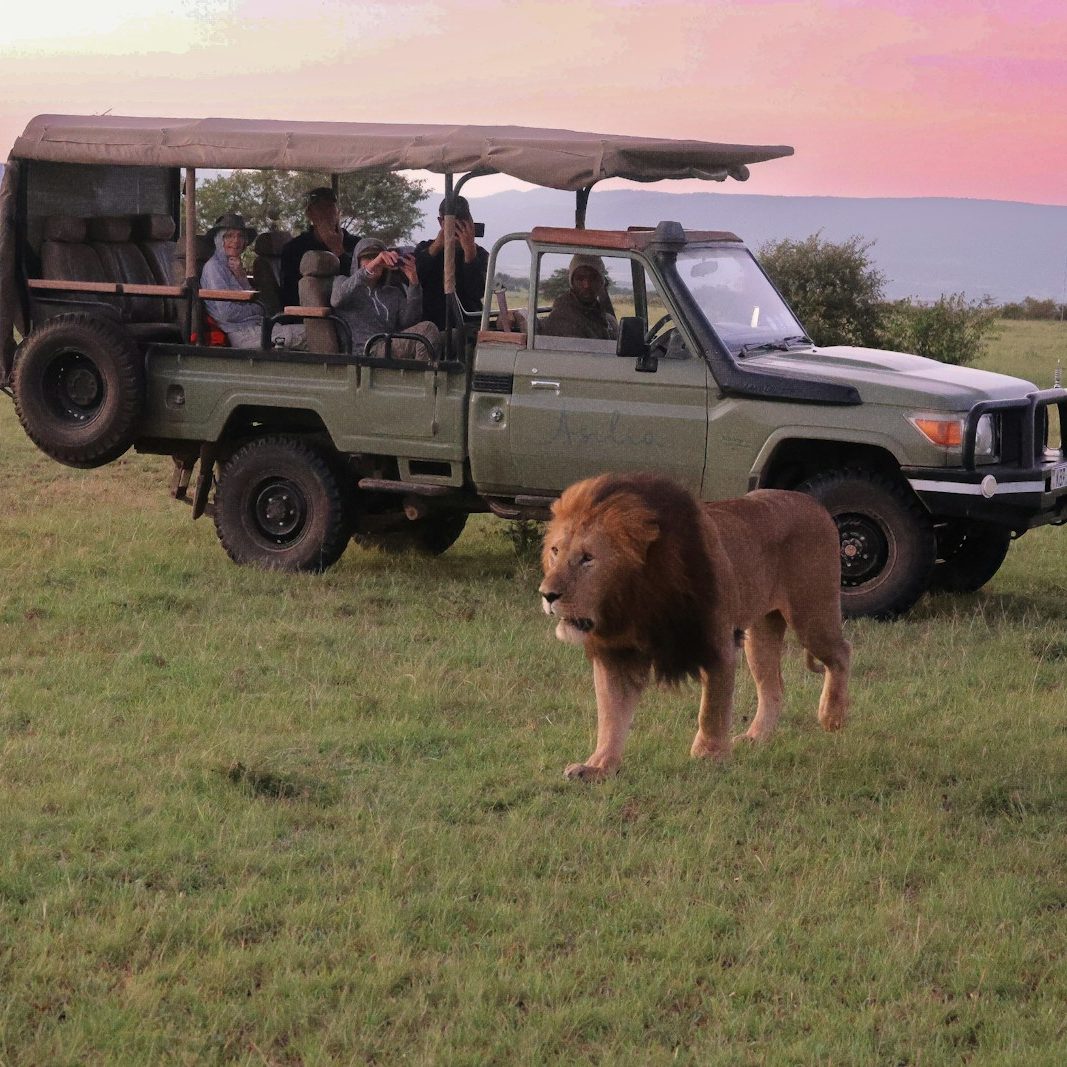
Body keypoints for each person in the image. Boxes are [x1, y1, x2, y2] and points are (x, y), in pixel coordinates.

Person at [200, 212, 303, 349]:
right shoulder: (214, 268)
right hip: (241, 333)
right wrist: (256, 310)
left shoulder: (233, 265)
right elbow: (226, 313)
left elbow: (255, 301)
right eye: (229, 236)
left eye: (240, 236)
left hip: (257, 327)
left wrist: (241, 277)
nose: (236, 241)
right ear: (219, 240)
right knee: (312, 334)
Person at [331, 236, 439, 360]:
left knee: (445, 334)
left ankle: (421, 375)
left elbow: (409, 322)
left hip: (388, 345)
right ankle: (424, 378)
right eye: (368, 258)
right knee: (427, 330)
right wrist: (370, 268)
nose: (375, 262)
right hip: (364, 350)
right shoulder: (343, 282)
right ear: (357, 261)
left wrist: (414, 282)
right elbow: (336, 300)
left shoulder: (392, 292)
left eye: (378, 259)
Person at [413, 196, 489, 329]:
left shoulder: (481, 254)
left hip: (467, 323)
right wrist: (437, 246)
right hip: (433, 324)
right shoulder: (425, 249)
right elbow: (415, 280)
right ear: (440, 222)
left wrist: (470, 253)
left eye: (462, 223)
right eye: (453, 224)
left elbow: (477, 291)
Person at [279, 187, 359, 309]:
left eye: (330, 207)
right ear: (309, 214)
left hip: (352, 309)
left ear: (338, 213)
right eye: (320, 208)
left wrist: (338, 250)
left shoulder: (355, 244)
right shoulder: (294, 249)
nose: (326, 213)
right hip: (312, 315)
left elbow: (360, 282)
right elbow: (290, 295)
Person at [541, 254, 619, 340]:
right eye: (580, 279)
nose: (587, 285)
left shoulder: (598, 313)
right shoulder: (563, 317)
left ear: (601, 282)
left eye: (593, 278)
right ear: (572, 282)